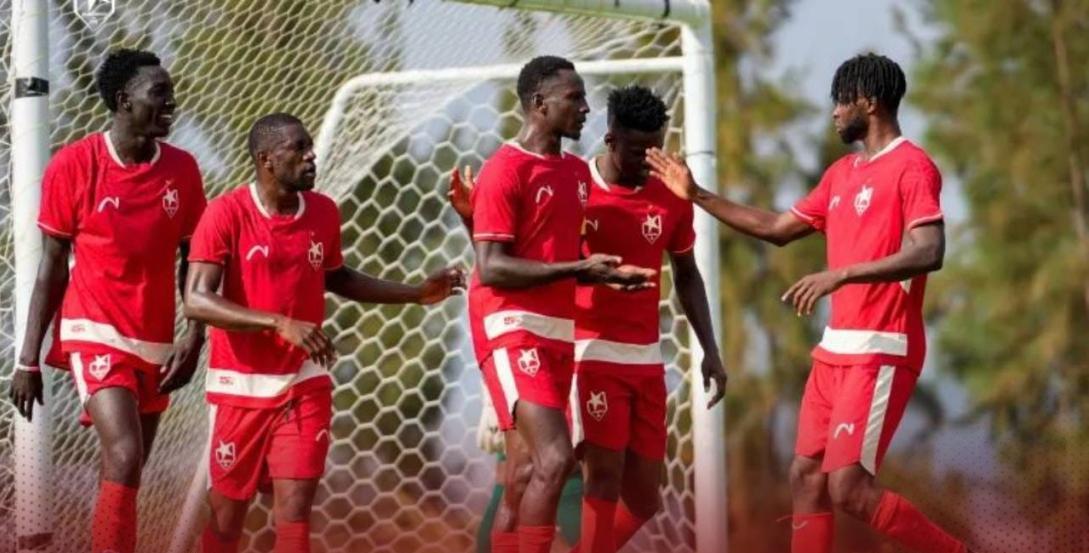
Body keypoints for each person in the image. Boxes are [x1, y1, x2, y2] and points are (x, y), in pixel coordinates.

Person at [645, 53, 970, 553]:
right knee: (806, 475)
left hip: (880, 349)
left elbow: (930, 251)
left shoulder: (912, 166)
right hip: (834, 351)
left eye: (842, 101)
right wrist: (697, 194)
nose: (834, 112)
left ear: (869, 102)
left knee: (849, 489)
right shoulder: (841, 174)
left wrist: (843, 274)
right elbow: (777, 228)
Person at [185, 113, 465, 553]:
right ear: (266, 159)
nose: (311, 156)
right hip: (240, 386)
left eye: (310, 146)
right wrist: (278, 322)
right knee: (225, 521)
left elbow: (337, 276)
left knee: (294, 513)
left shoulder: (323, 212)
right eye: (298, 148)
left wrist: (415, 293)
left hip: (304, 382)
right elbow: (197, 300)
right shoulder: (226, 213)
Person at [9, 48, 207, 553]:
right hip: (93, 329)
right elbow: (52, 266)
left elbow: (196, 260)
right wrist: (28, 359)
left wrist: (194, 335)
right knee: (124, 452)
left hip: (155, 338)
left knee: (127, 469)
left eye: (172, 93)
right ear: (124, 101)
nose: (172, 103)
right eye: (159, 93)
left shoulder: (183, 170)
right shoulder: (74, 164)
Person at [460, 55, 654, 553]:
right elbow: (493, 267)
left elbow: (558, 251)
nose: (586, 107)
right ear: (538, 104)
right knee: (555, 459)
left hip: (558, 331)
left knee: (523, 473)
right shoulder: (504, 169)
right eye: (574, 98)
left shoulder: (575, 173)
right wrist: (579, 269)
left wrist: (606, 275)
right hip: (509, 327)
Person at [567, 84, 727, 553]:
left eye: (655, 148)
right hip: (590, 351)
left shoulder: (670, 193)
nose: (647, 160)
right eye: (638, 150)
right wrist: (595, 276)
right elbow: (547, 264)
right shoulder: (578, 188)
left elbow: (687, 274)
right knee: (603, 478)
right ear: (610, 138)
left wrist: (711, 350)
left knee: (644, 500)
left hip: (646, 360)